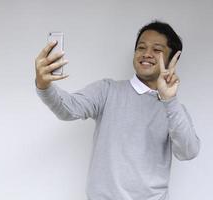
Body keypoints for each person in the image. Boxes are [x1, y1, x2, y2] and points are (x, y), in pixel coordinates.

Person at [34, 21, 200, 200]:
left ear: (172, 58)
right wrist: (44, 85)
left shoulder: (174, 109)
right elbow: (68, 109)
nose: (146, 54)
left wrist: (169, 100)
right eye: (141, 47)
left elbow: (188, 151)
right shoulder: (107, 90)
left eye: (157, 50)